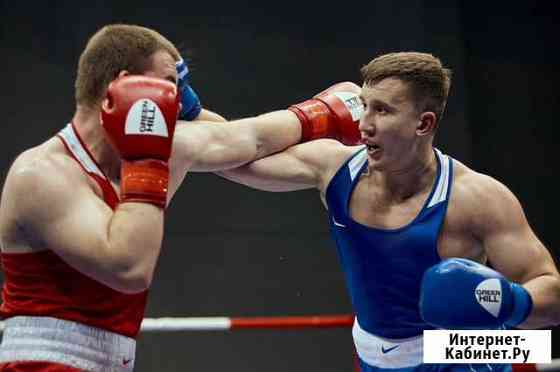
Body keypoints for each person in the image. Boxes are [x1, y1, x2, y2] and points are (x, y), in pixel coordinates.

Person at [0, 24, 362, 371]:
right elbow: (128, 267)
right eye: (171, 87)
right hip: (39, 361)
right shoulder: (42, 174)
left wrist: (324, 112)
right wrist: (148, 157)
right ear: (126, 87)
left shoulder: (157, 149)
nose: (176, 104)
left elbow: (249, 140)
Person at [218, 52, 560, 371]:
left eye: (381, 110)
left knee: (527, 349)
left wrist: (507, 304)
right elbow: (228, 154)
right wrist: (185, 113)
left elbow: (551, 295)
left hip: (457, 354)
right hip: (372, 355)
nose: (363, 124)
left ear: (423, 124)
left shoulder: (476, 197)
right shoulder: (334, 168)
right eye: (364, 106)